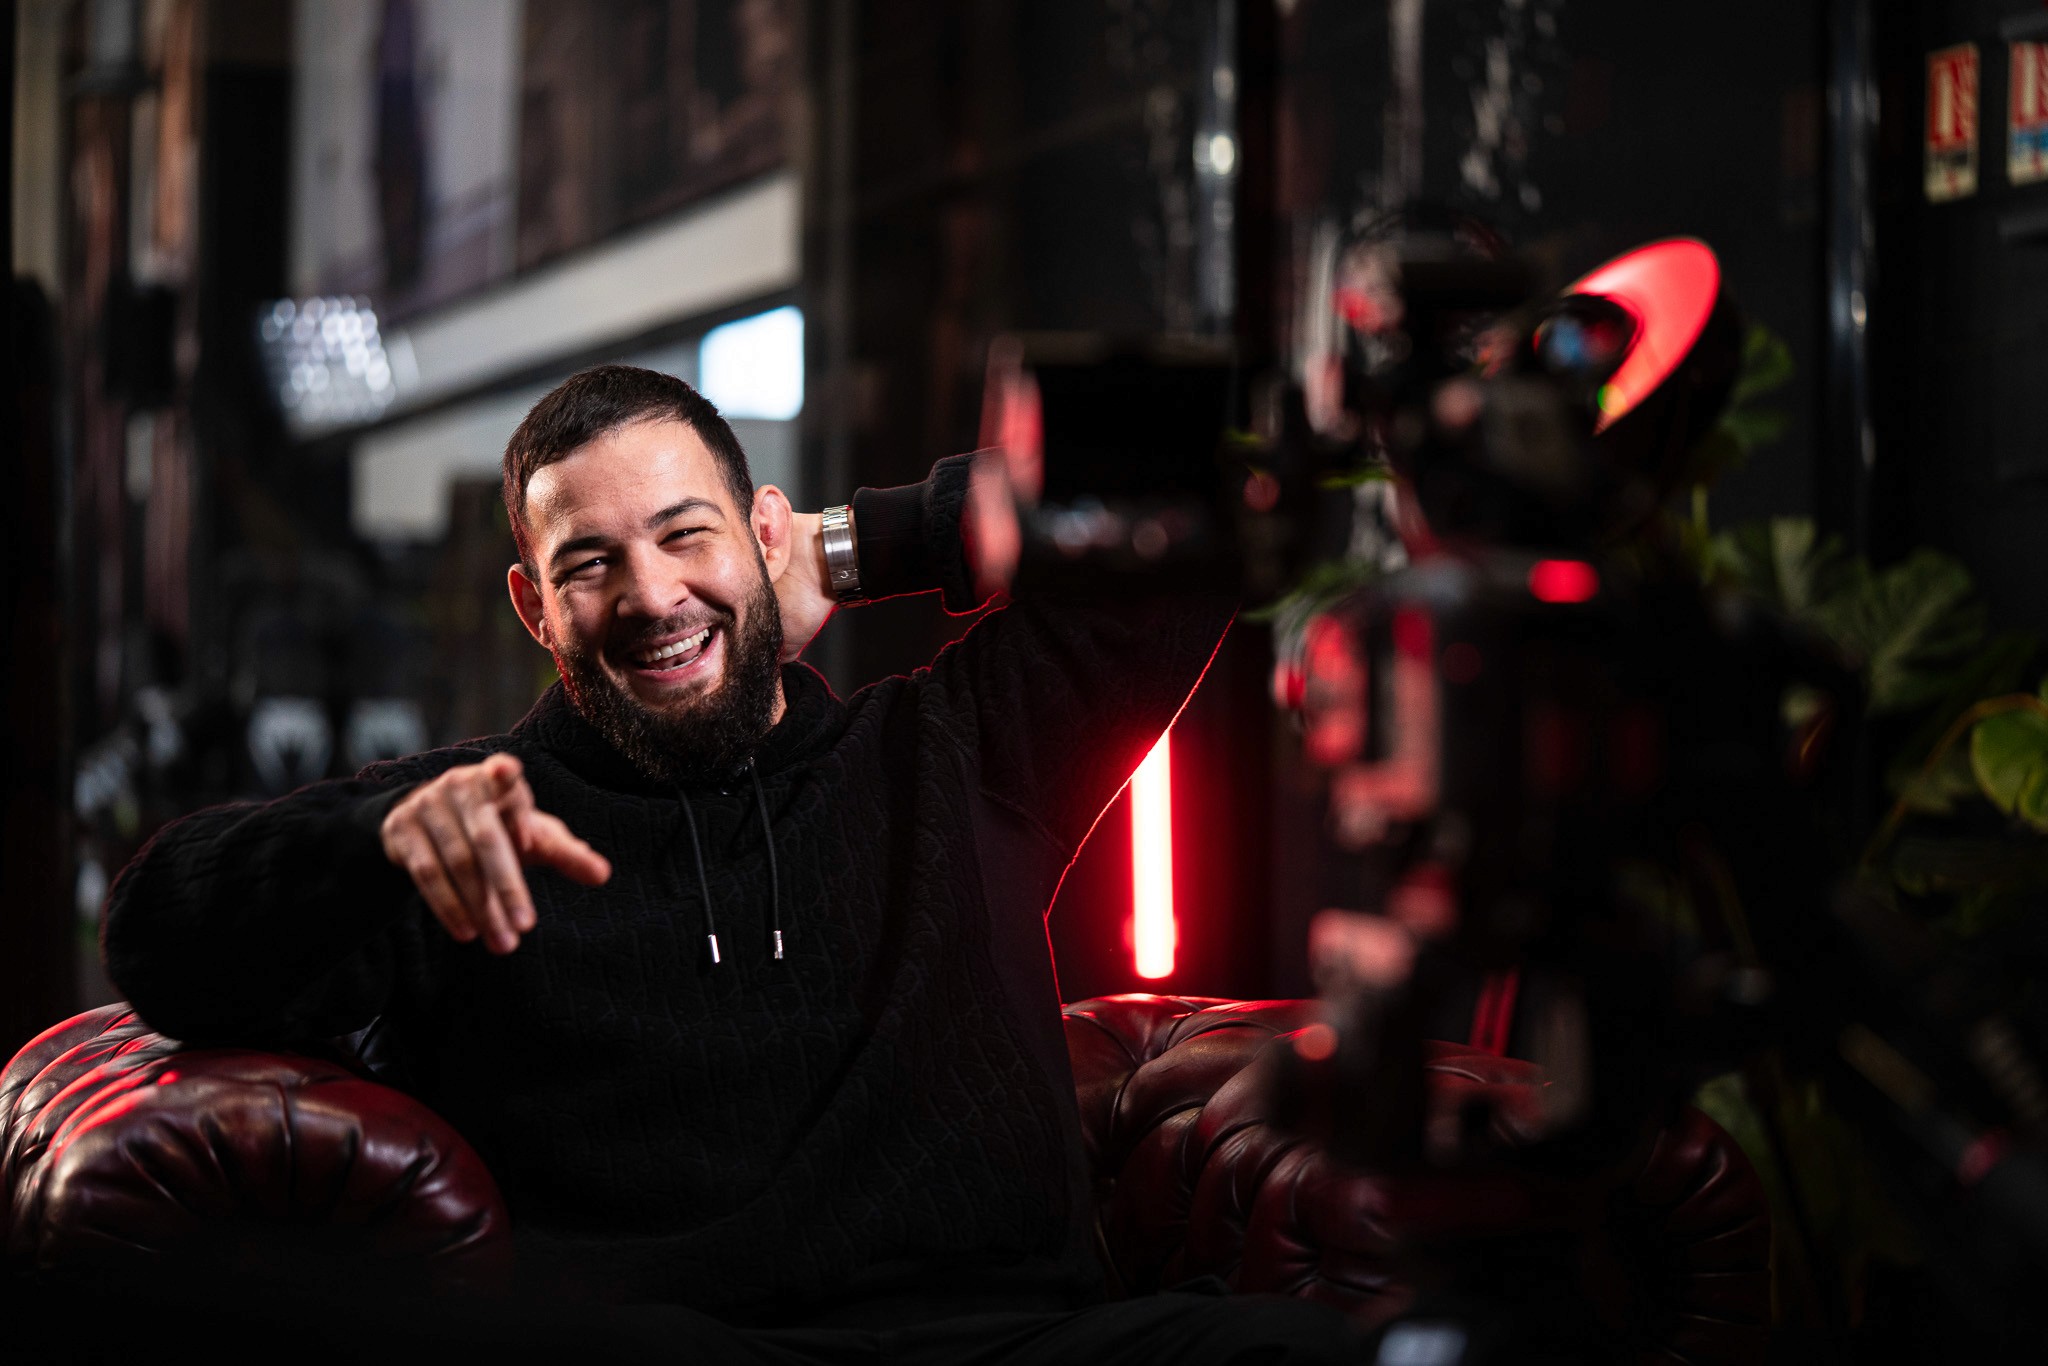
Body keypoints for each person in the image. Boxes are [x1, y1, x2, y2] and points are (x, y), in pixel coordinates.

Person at [103, 364, 1366, 1363]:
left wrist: (869, 541)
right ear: (534, 608)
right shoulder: (464, 819)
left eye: (684, 534)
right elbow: (157, 935)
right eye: (588, 563)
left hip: (1014, 1339)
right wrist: (364, 847)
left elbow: (1207, 497)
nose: (651, 597)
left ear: (767, 535)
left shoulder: (954, 750)